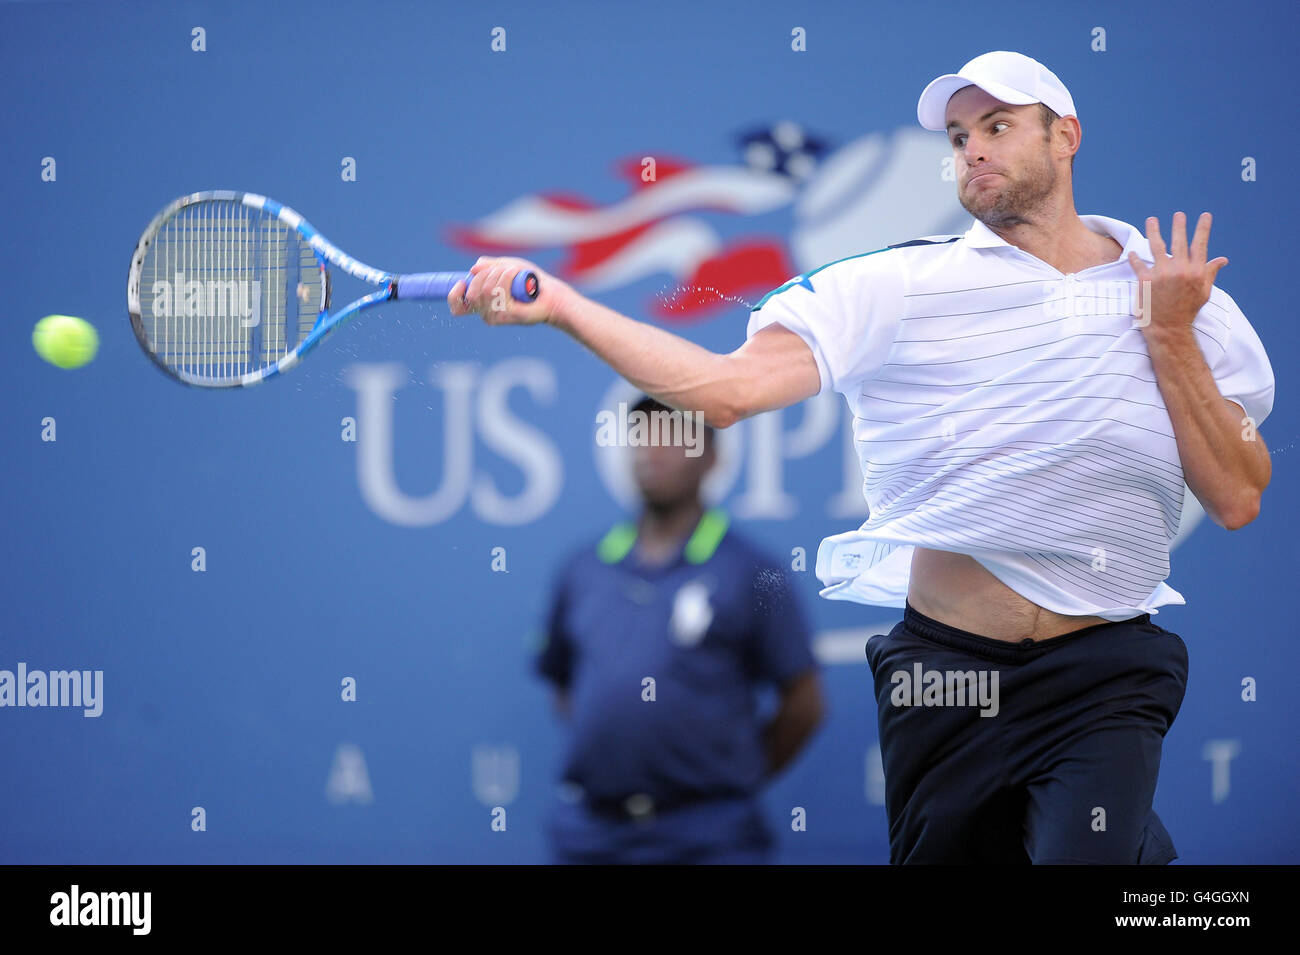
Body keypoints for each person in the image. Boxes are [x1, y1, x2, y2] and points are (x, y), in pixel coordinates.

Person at [452, 51, 1274, 864]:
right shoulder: (895, 286)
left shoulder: (1180, 297)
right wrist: (561, 304)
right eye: (957, 137)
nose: (972, 150)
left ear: (1066, 137)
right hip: (948, 678)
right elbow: (726, 391)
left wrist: (1169, 334)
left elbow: (1239, 496)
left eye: (997, 126)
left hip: (1105, 673)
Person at [535, 395, 823, 864]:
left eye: (673, 437)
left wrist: (726, 778)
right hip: (591, 836)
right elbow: (567, 689)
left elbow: (804, 705)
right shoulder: (582, 569)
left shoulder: (756, 572)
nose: (653, 450)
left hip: (711, 837)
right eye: (642, 436)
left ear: (712, 457)